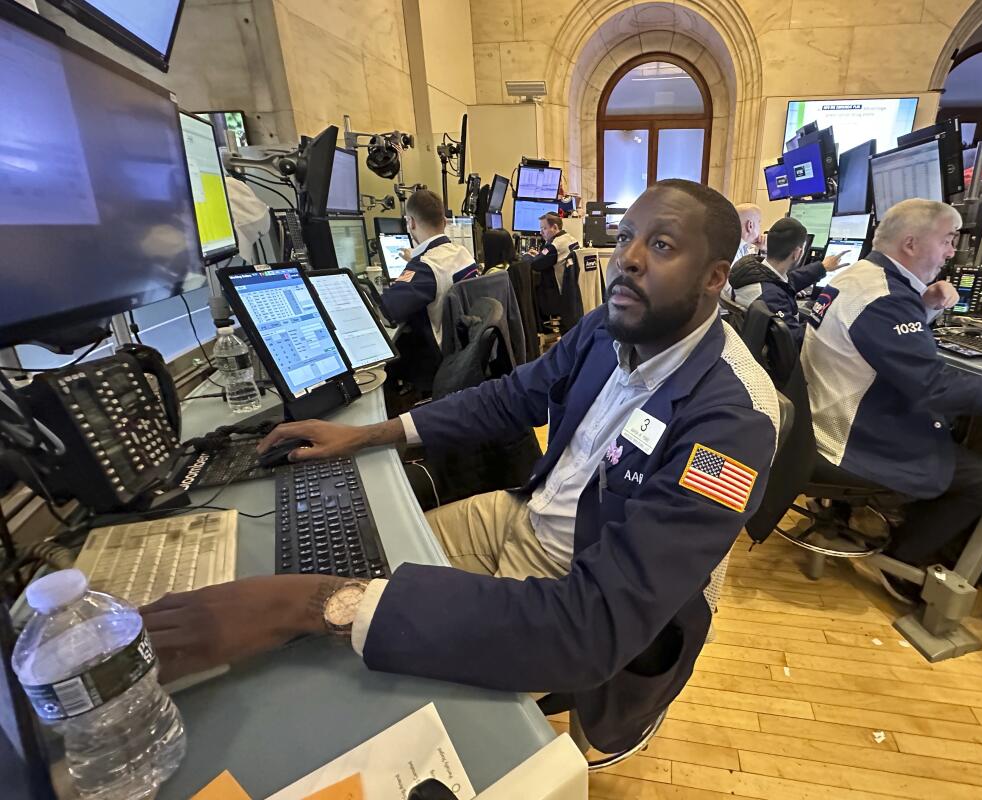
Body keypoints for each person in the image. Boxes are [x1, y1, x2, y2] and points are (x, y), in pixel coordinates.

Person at [142, 179, 780, 754]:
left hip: (579, 581)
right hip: (526, 515)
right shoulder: (606, 329)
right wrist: (368, 435)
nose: (628, 260)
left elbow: (591, 624)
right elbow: (511, 396)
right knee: (352, 566)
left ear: (715, 278)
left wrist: (315, 607)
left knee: (367, 674)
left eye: (662, 246)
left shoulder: (734, 423)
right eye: (625, 239)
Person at [800, 198, 982, 596]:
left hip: (822, 421)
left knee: (957, 442)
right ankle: (900, 564)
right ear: (912, 245)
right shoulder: (885, 299)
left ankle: (895, 523)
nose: (952, 252)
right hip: (850, 439)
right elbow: (934, 386)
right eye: (948, 240)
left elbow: (873, 339)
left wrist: (924, 306)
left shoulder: (858, 277)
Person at [380, 189, 478, 389]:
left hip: (435, 360)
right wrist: (414, 259)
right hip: (465, 350)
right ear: (444, 221)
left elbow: (386, 311)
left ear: (411, 222)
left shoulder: (425, 268)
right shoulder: (463, 253)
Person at [726, 216, 849, 347]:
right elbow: (797, 341)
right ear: (797, 253)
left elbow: (787, 281)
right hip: (779, 359)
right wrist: (821, 318)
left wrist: (822, 267)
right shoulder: (770, 297)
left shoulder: (753, 271)